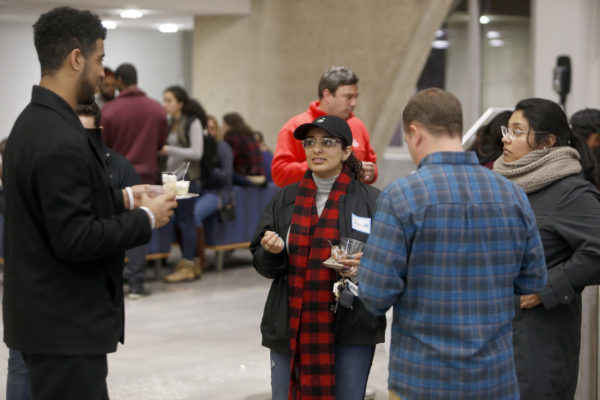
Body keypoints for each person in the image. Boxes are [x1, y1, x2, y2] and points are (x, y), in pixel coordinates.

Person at [2, 7, 177, 400]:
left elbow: (55, 206)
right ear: (75, 59)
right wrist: (146, 217)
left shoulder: (31, 122)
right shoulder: (61, 137)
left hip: (43, 318)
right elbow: (74, 237)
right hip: (64, 323)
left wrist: (126, 196)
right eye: (98, 59)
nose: (102, 72)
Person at [358, 88, 547, 400]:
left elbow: (376, 295)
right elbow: (534, 280)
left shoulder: (401, 196)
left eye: (406, 141)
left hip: (422, 380)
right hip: (495, 379)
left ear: (415, 133)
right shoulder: (512, 195)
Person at [250, 115, 385, 400]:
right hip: (290, 326)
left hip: (352, 327)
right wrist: (271, 252)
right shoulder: (284, 200)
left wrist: (365, 266)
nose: (316, 149)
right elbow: (262, 263)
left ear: (346, 151)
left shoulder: (373, 201)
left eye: (327, 142)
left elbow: (391, 262)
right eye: (310, 142)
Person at [493, 98, 600, 399]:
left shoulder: (569, 192)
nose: (505, 138)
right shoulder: (504, 185)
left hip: (536, 343)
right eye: (506, 129)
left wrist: (547, 287)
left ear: (546, 142)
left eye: (516, 130)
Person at [76, 102, 150, 298]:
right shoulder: (63, 167)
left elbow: (138, 220)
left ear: (99, 131)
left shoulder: (119, 165)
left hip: (108, 264)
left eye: (86, 133)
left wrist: (135, 280)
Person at [272, 66, 378, 187]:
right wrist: (323, 164)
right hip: (309, 203)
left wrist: (371, 173)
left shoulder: (357, 126)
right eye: (348, 97)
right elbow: (280, 175)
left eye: (355, 97)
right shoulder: (295, 126)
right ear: (327, 95)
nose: (354, 103)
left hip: (352, 203)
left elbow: (372, 164)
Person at [160, 85, 206, 282]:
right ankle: (189, 262)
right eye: (165, 100)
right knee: (179, 221)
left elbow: (197, 153)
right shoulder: (171, 123)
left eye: (169, 100)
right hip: (172, 178)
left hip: (187, 178)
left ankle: (188, 263)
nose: (166, 104)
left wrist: (170, 149)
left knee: (186, 221)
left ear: (180, 102)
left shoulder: (192, 122)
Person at [102, 62, 169, 185]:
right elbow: (161, 145)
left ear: (119, 80)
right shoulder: (157, 109)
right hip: (149, 180)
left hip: (119, 182)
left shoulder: (108, 110)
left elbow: (102, 147)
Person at [193, 115, 234, 273]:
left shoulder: (222, 147)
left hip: (219, 193)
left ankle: (200, 258)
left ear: (216, 130)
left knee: (194, 214)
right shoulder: (200, 149)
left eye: (212, 128)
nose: (208, 132)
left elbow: (227, 176)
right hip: (201, 190)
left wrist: (209, 168)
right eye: (205, 129)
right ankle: (190, 259)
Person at [222, 112, 266, 186]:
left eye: (223, 125)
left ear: (228, 126)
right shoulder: (251, 137)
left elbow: (228, 161)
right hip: (260, 177)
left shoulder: (232, 138)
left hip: (245, 177)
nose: (222, 128)